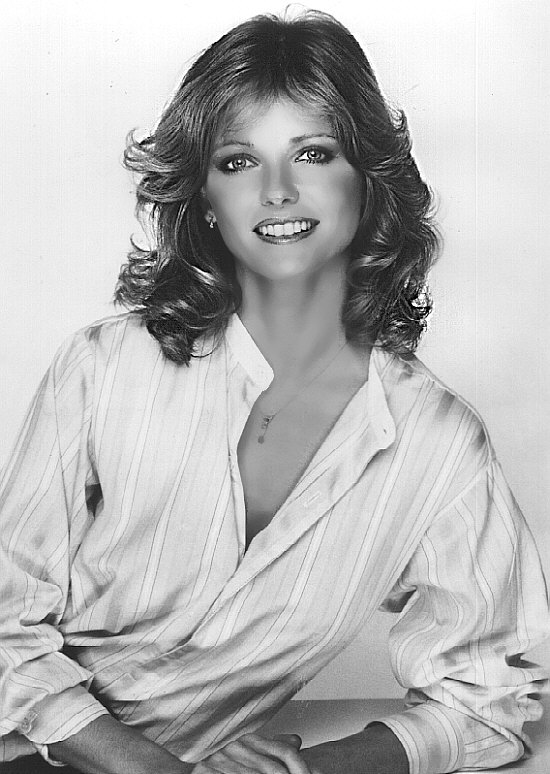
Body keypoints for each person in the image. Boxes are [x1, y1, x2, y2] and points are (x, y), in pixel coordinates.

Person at [0, 10, 548, 774]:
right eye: (238, 162)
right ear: (204, 199)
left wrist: (315, 768)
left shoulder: (438, 444)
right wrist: (147, 767)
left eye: (313, 153)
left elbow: (492, 697)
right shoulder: (102, 369)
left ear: (368, 181)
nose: (278, 191)